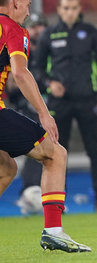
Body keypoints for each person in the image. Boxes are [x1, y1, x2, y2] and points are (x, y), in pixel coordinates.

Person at [0, 0, 90, 252]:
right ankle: (53, 230)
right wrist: (44, 113)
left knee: (6, 168)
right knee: (56, 154)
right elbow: (21, 72)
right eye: (26, 5)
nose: (28, 12)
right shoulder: (13, 29)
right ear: (15, 3)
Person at [32, 0, 97, 213]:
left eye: (74, 8)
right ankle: (59, 205)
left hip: (89, 101)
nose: (69, 12)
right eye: (65, 8)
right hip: (60, 103)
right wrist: (49, 84)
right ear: (59, 10)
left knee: (95, 150)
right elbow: (36, 69)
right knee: (56, 152)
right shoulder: (48, 35)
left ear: (80, 10)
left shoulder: (92, 33)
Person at [5, 12, 47, 200]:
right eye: (33, 26)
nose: (37, 30)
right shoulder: (17, 47)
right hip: (26, 107)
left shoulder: (52, 51)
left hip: (52, 106)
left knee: (53, 150)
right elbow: (14, 83)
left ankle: (47, 195)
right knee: (38, 149)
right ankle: (31, 191)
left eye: (41, 26)